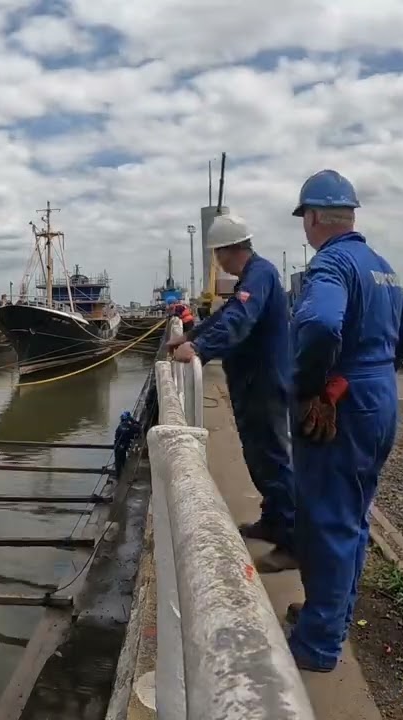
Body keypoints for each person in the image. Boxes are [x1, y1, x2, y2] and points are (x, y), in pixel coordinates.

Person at [285, 170, 403, 673]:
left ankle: (318, 645)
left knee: (327, 521)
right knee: (354, 518)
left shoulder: (332, 264)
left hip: (343, 403)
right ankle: (329, 617)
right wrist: (376, 376)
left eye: (305, 219)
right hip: (378, 399)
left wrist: (312, 386)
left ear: (314, 217)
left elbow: (319, 323)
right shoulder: (380, 266)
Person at [165, 213, 296, 572]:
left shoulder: (261, 275)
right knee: (258, 456)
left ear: (227, 250)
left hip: (265, 382)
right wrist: (191, 337)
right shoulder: (251, 277)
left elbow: (238, 320)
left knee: (272, 458)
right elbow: (224, 317)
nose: (217, 261)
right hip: (253, 382)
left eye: (218, 254)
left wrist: (202, 351)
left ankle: (293, 540)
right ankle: (273, 520)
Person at [113, 410, 140, 477]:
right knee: (123, 460)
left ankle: (118, 476)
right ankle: (123, 473)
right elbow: (138, 429)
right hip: (125, 446)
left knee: (117, 462)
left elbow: (116, 436)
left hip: (118, 446)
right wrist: (133, 421)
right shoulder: (130, 427)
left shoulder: (119, 427)